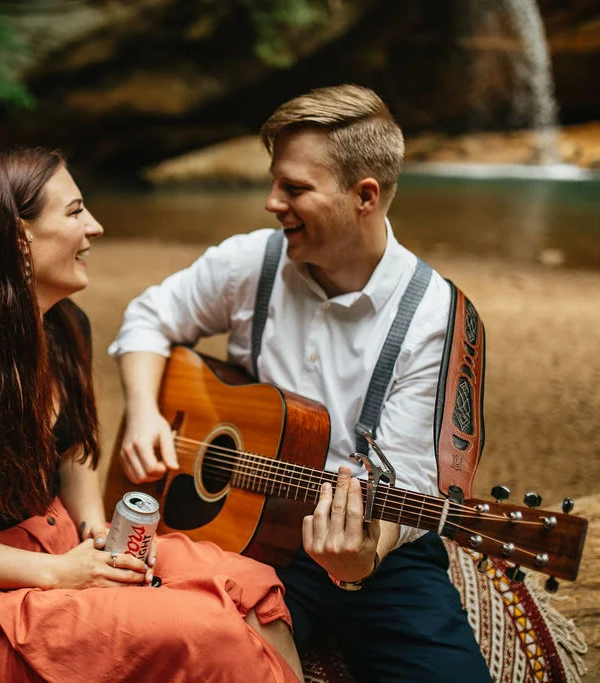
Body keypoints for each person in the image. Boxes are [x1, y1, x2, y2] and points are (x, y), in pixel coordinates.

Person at [109, 85, 492, 682]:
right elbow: (149, 317)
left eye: (294, 188)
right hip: (240, 539)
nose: (270, 203)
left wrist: (364, 553)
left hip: (379, 551)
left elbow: (419, 481)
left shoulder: (437, 317)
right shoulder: (251, 264)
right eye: (273, 182)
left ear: (365, 196)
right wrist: (142, 413)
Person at [0, 145, 303, 682]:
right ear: (19, 236)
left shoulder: (64, 323)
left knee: (254, 586)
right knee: (210, 632)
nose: (96, 227)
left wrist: (100, 533)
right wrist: (60, 572)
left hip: (64, 552)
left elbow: (73, 450)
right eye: (76, 211)